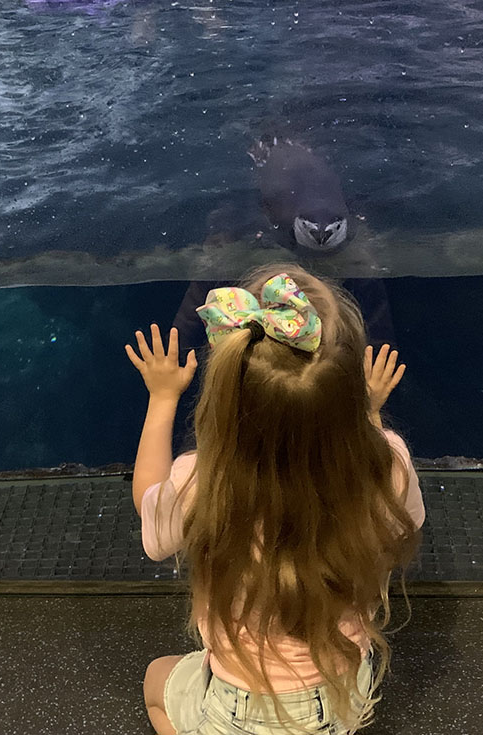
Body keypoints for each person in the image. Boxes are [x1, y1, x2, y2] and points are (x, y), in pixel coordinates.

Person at [125, 264, 426, 735]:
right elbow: (396, 524)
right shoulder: (387, 463)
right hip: (346, 693)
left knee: (156, 680)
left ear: (226, 393)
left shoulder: (203, 482)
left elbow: (150, 506)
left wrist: (162, 398)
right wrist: (368, 415)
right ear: (349, 386)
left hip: (237, 712)